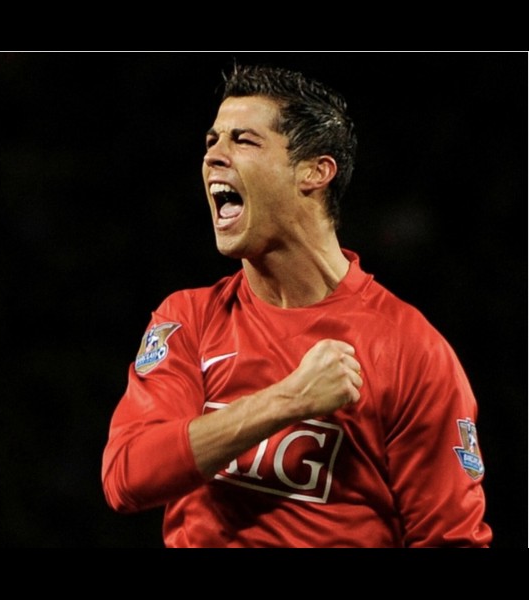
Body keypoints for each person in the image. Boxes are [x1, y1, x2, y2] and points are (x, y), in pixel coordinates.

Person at [101, 63, 492, 548]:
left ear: (315, 171)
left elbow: (451, 538)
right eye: (212, 141)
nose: (213, 156)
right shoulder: (189, 320)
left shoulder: (409, 349)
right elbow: (128, 475)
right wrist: (289, 400)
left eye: (243, 140)